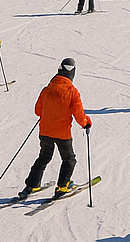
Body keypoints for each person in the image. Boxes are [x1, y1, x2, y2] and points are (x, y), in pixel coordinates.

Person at [18, 58, 92, 200]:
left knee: (44, 156)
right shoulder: (72, 92)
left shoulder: (47, 89)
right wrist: (86, 123)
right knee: (69, 159)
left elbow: (38, 111)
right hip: (62, 134)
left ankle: (33, 184)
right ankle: (62, 186)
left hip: (45, 131)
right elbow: (79, 114)